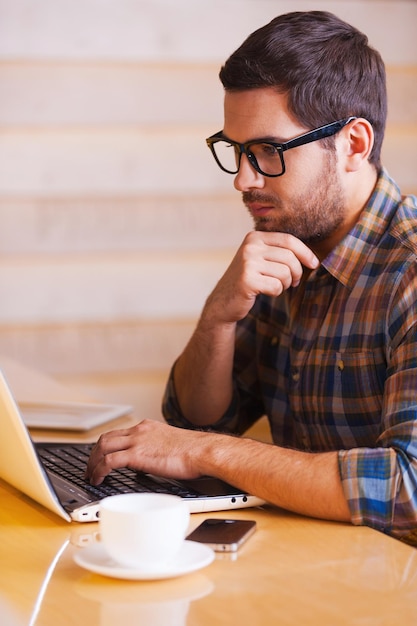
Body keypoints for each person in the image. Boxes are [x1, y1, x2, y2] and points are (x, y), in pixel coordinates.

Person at [86, 10, 417, 543]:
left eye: (268, 150)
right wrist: (217, 319)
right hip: (306, 564)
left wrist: (205, 452)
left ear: (354, 144)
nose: (244, 178)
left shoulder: (409, 272)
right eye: (238, 151)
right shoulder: (288, 244)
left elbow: (410, 490)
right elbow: (200, 421)